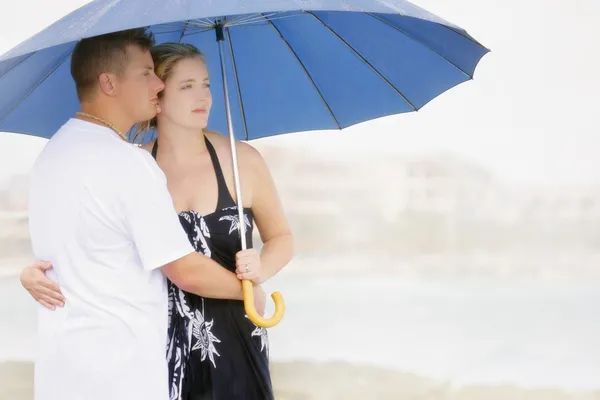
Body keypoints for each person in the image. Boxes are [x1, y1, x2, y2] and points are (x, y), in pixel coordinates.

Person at [22, 42, 294, 399]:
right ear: (159, 98)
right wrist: (39, 270)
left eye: (207, 84)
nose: (203, 96)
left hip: (235, 330)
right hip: (162, 341)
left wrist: (258, 273)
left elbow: (283, 237)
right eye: (186, 86)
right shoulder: (133, 164)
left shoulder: (243, 161)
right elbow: (112, 242)